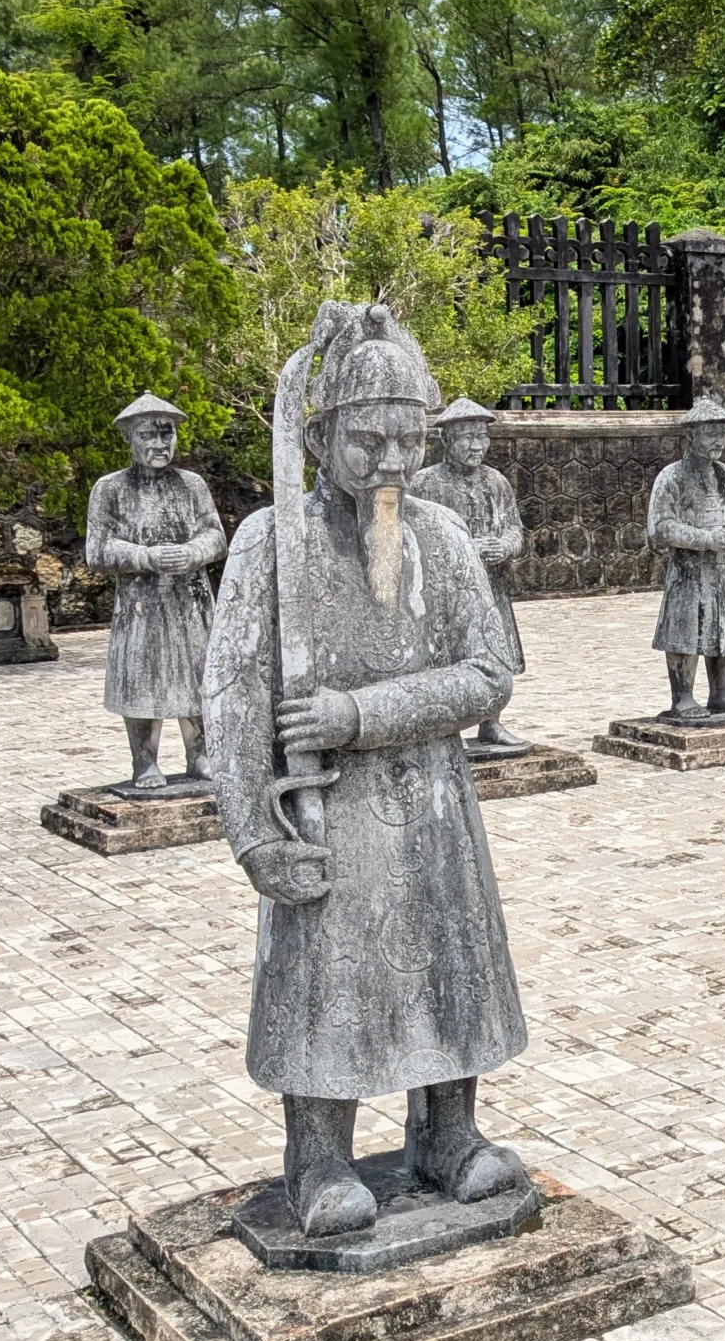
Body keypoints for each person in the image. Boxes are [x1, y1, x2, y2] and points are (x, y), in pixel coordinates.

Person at [205, 303, 528, 1238]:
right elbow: (230, 695)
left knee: (444, 963)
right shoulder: (274, 542)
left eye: (408, 442)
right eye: (368, 441)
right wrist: (255, 834)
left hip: (432, 800)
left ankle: (450, 1135)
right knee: (327, 982)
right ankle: (318, 1160)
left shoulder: (443, 536)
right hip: (321, 812)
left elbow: (488, 671)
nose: (391, 463)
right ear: (319, 436)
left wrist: (359, 714)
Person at [84, 393, 226, 791]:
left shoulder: (192, 485)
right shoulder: (110, 489)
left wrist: (190, 553)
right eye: (150, 435)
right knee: (142, 682)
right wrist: (146, 557)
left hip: (191, 600)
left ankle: (200, 755)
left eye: (168, 435)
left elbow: (216, 536)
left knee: (198, 679)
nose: (161, 444)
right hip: (140, 605)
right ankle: (144, 762)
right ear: (130, 438)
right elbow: (97, 549)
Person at [409, 398, 528, 754]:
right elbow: (411, 539)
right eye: (467, 438)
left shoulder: (496, 482)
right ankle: (449, 725)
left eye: (482, 437)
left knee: (495, 651)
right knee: (447, 656)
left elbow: (515, 530)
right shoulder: (424, 485)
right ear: (446, 441)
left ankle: (491, 722)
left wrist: (504, 547)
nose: (477, 446)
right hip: (444, 590)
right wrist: (465, 549)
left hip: (490, 586)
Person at [646, 396, 725, 721]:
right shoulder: (672, 477)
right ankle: (683, 698)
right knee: (685, 631)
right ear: (691, 436)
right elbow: (661, 527)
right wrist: (707, 539)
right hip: (689, 572)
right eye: (711, 434)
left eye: (723, 434)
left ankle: (722, 696)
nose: (719, 441)